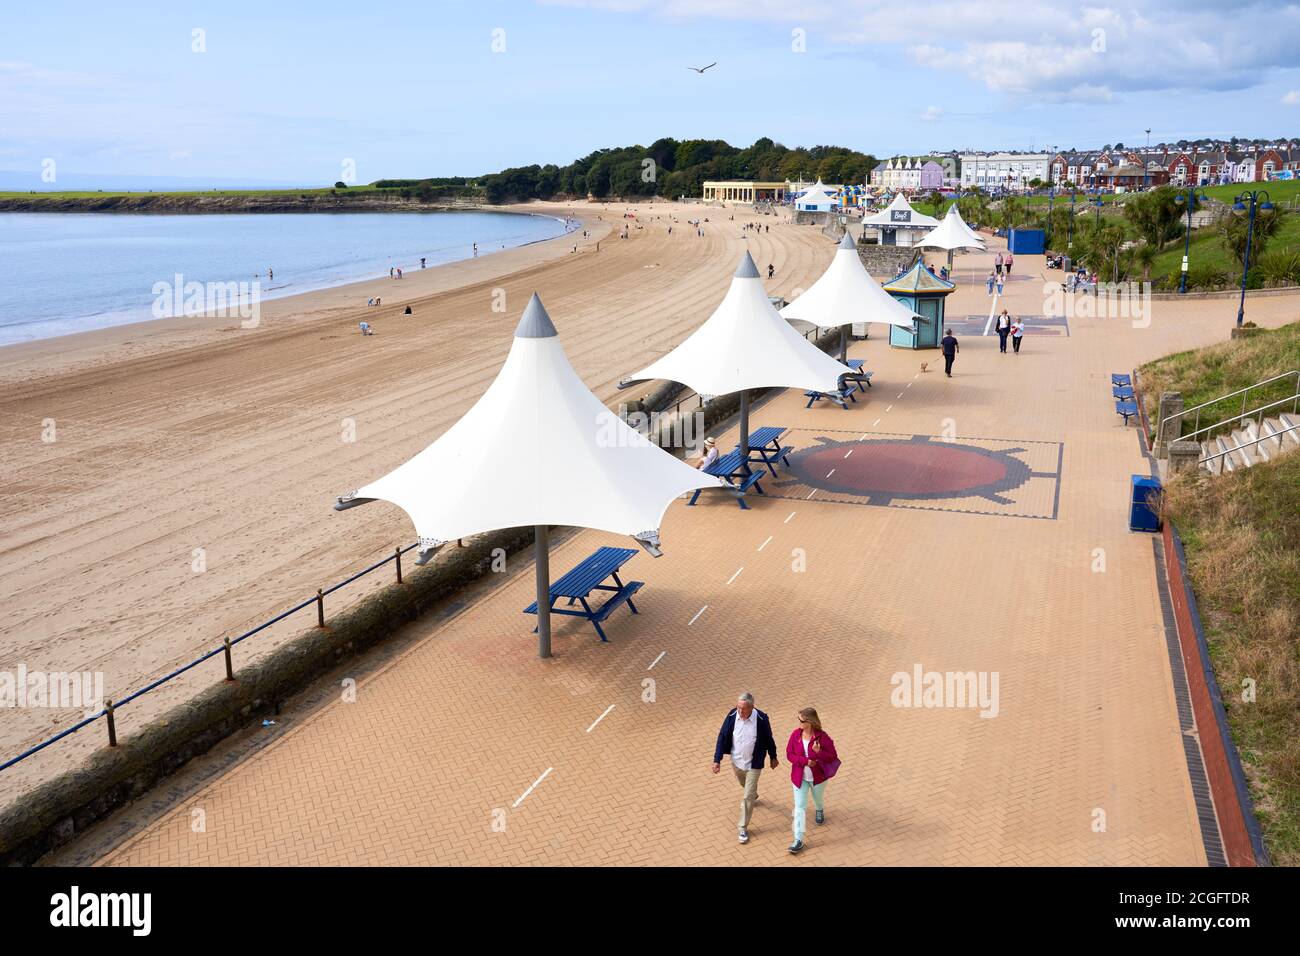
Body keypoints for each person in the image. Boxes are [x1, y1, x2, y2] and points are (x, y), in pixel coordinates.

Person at [712, 692, 778, 845]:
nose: (740, 711)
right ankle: (753, 793)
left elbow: (769, 738)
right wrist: (717, 760)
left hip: (754, 764)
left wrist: (773, 756)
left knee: (747, 796)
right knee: (744, 785)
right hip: (736, 761)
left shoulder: (761, 719)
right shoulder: (731, 715)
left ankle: (742, 827)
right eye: (738, 707)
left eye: (744, 708)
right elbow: (722, 736)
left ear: (752, 707)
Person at [786, 707, 838, 854]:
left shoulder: (822, 737)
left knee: (818, 799)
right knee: (799, 808)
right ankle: (798, 839)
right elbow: (789, 755)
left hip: (818, 778)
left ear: (809, 722)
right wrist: (805, 761)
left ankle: (819, 810)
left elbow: (832, 756)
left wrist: (818, 752)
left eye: (801, 720)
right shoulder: (795, 735)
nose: (798, 722)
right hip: (799, 778)